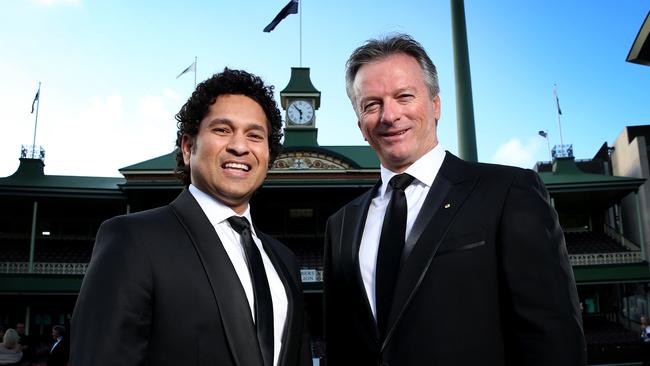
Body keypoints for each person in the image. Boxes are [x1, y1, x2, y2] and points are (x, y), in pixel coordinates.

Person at [323, 34, 586, 365]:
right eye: (371, 104)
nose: (389, 115)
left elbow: (553, 338)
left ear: (435, 105)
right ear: (360, 124)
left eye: (404, 97)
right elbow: (341, 345)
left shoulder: (508, 191)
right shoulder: (341, 224)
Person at [71, 68, 311, 366]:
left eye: (254, 135)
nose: (239, 146)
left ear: (268, 156)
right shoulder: (133, 239)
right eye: (222, 130)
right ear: (188, 147)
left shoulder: (284, 260)